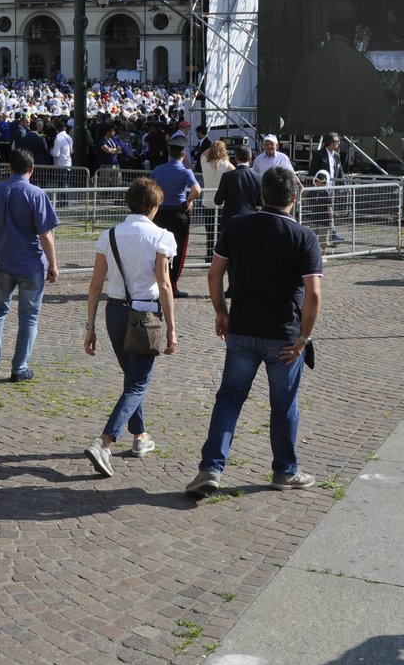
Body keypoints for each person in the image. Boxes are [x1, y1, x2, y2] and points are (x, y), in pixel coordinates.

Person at [185, 166, 322, 498]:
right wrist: (304, 337)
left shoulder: (237, 225)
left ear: (262, 195)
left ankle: (211, 469)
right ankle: (284, 471)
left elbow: (214, 274)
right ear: (294, 196)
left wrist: (221, 310)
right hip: (284, 334)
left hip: (242, 328)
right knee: (284, 403)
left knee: (229, 399)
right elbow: (314, 294)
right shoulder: (304, 236)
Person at [80, 177, 178, 477]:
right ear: (154, 205)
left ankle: (140, 437)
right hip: (145, 314)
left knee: (131, 378)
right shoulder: (162, 236)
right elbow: (163, 283)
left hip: (114, 312)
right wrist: (173, 327)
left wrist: (90, 326)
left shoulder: (109, 235)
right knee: (137, 382)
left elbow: (95, 285)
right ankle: (105, 441)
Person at [0, 148, 60, 382]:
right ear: (32, 169)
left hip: (3, 262)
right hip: (31, 265)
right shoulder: (36, 194)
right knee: (29, 317)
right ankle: (19, 367)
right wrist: (53, 264)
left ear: (9, 168)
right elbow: (46, 234)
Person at [150, 132, 201, 295]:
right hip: (179, 213)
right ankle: (172, 284)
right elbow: (197, 190)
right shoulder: (185, 171)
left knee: (158, 250)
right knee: (178, 250)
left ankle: (158, 282)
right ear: (183, 154)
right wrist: (188, 200)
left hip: (160, 213)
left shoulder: (157, 170)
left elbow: (151, 189)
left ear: (169, 153)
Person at [198, 139, 234, 262]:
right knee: (220, 232)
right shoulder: (226, 165)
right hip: (221, 203)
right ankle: (219, 257)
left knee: (209, 232)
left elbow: (204, 152)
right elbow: (237, 173)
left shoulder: (204, 161)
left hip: (206, 202)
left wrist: (213, 146)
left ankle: (209, 256)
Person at [214, 145, 261, 227]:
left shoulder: (227, 176)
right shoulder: (258, 177)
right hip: (250, 220)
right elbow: (260, 202)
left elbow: (218, 200)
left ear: (236, 158)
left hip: (230, 220)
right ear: (250, 158)